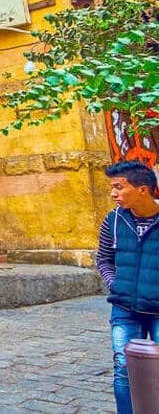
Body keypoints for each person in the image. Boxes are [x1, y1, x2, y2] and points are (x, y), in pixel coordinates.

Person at [96, 160, 159, 414]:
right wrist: (116, 285)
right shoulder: (113, 220)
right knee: (123, 369)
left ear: (142, 189)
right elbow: (104, 259)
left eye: (119, 187)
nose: (114, 194)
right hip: (124, 309)